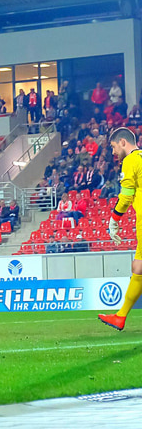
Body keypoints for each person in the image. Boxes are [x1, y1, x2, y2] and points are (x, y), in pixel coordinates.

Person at [99, 127, 142, 331]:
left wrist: (114, 219)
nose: (114, 152)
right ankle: (120, 316)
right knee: (138, 267)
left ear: (123, 142)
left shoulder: (131, 160)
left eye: (115, 147)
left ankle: (120, 316)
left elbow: (126, 195)